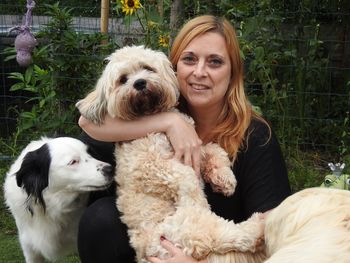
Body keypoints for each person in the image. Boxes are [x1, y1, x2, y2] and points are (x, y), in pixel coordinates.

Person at [77, 15, 291, 263]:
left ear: (233, 73)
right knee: (99, 220)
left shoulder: (256, 136)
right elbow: (87, 120)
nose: (199, 72)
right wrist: (169, 122)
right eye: (189, 59)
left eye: (215, 62)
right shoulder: (153, 111)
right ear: (175, 66)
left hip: (222, 255)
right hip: (154, 243)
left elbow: (277, 233)